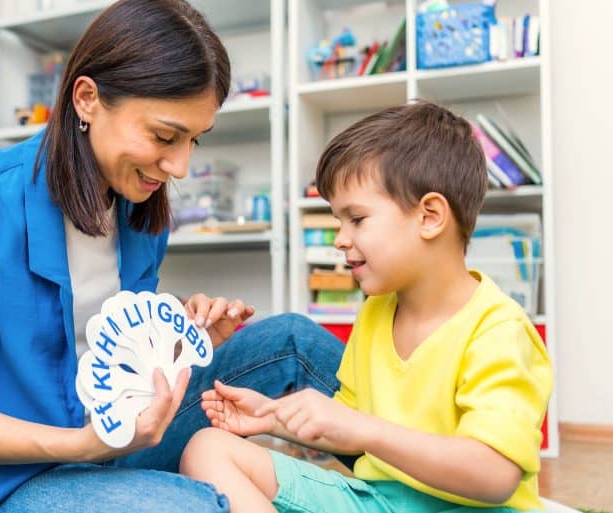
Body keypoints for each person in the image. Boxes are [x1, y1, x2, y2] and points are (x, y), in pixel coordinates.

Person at [0, 1, 345, 512]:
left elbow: (110, 345)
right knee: (191, 505)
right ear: (87, 98)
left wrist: (183, 342)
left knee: (291, 341)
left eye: (194, 140)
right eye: (164, 136)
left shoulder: (136, 210)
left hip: (107, 440)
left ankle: (413, 473)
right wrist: (85, 445)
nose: (180, 165)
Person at [180, 102, 554, 513]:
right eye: (338, 221)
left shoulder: (498, 329)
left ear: (429, 216)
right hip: (379, 501)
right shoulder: (376, 312)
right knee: (207, 448)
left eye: (356, 219)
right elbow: (344, 425)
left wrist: (365, 431)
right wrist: (273, 419)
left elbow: (495, 475)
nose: (340, 238)